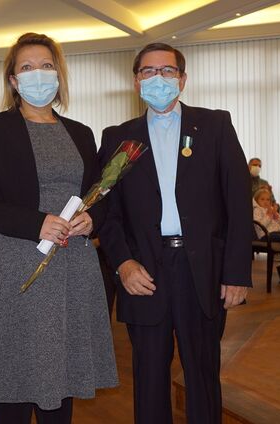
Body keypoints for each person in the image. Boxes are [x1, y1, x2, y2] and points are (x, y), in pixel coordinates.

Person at [0, 32, 117, 424]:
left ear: (59, 74)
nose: (38, 75)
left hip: (72, 269)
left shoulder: (80, 132)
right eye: (26, 68)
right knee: (12, 375)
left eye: (46, 66)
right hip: (13, 266)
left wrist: (92, 218)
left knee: (60, 375)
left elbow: (100, 193)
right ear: (13, 80)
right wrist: (36, 223)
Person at [98, 42, 252, 424]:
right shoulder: (118, 136)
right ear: (136, 82)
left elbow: (238, 202)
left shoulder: (215, 125)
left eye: (167, 71)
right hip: (143, 274)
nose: (158, 79)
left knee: (202, 373)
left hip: (201, 271)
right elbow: (107, 212)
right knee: (148, 378)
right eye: (148, 72)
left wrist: (236, 272)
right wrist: (123, 264)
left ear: (183, 79)